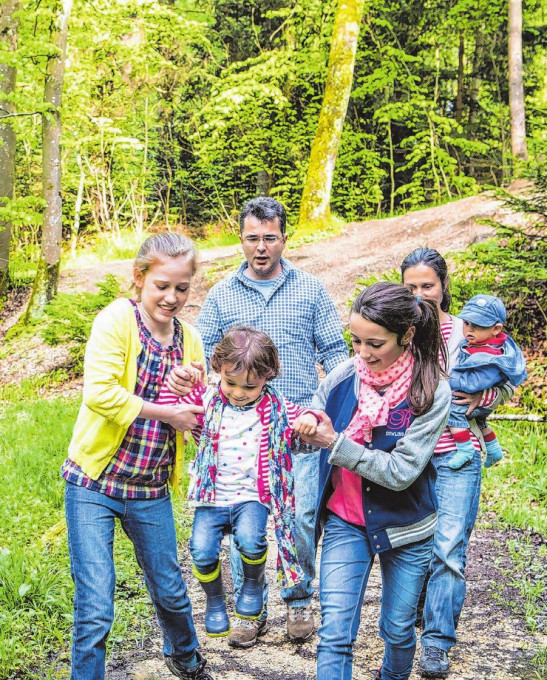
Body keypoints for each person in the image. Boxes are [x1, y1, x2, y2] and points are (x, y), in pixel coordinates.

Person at [169, 196, 347, 647]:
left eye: (270, 238)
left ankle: (299, 598)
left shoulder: (310, 290)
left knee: (300, 516)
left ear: (285, 238)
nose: (261, 247)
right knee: (244, 532)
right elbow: (199, 352)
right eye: (253, 238)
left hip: (295, 430)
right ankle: (253, 609)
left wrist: (333, 409)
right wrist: (190, 383)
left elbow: (335, 354)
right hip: (235, 432)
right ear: (241, 241)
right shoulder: (224, 295)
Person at [60, 232, 214, 680]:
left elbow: (198, 417)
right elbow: (100, 394)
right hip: (94, 483)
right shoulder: (116, 319)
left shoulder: (190, 340)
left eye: (181, 288)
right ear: (139, 278)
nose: (171, 297)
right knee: (95, 604)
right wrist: (168, 410)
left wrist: (190, 393)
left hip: (149, 489)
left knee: (170, 591)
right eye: (161, 285)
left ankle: (186, 659)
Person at [294, 281, 452, 680]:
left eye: (375, 344)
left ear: (407, 335)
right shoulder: (346, 374)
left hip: (407, 527)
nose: (362, 354)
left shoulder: (432, 392)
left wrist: (336, 442)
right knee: (334, 634)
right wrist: (309, 425)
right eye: (356, 341)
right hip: (346, 522)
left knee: (397, 631)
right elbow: (316, 414)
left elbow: (400, 473)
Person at [400, 248, 517, 679]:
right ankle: (412, 615)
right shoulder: (397, 333)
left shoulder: (464, 333)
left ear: (444, 287)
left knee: (449, 548)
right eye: (410, 287)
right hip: (409, 455)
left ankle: (436, 642)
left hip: (458, 454)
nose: (419, 295)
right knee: (412, 543)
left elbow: (504, 380)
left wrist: (482, 399)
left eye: (427, 286)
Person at [158, 326, 310, 640]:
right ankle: (215, 602)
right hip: (212, 496)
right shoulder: (210, 398)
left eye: (250, 386)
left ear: (268, 377)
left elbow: (310, 418)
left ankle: (252, 587)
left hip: (251, 496)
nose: (239, 392)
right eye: (231, 382)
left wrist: (314, 421)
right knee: (200, 551)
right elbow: (168, 401)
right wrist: (181, 379)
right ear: (219, 371)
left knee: (251, 540)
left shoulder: (277, 407)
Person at [444, 293, 529, 469]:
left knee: (452, 412)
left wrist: (450, 381)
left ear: (496, 329)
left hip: (476, 396)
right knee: (481, 421)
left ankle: (465, 449)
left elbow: (475, 383)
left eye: (477, 326)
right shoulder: (483, 344)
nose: (468, 330)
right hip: (480, 402)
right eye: (466, 323)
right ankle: (494, 449)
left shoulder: (491, 355)